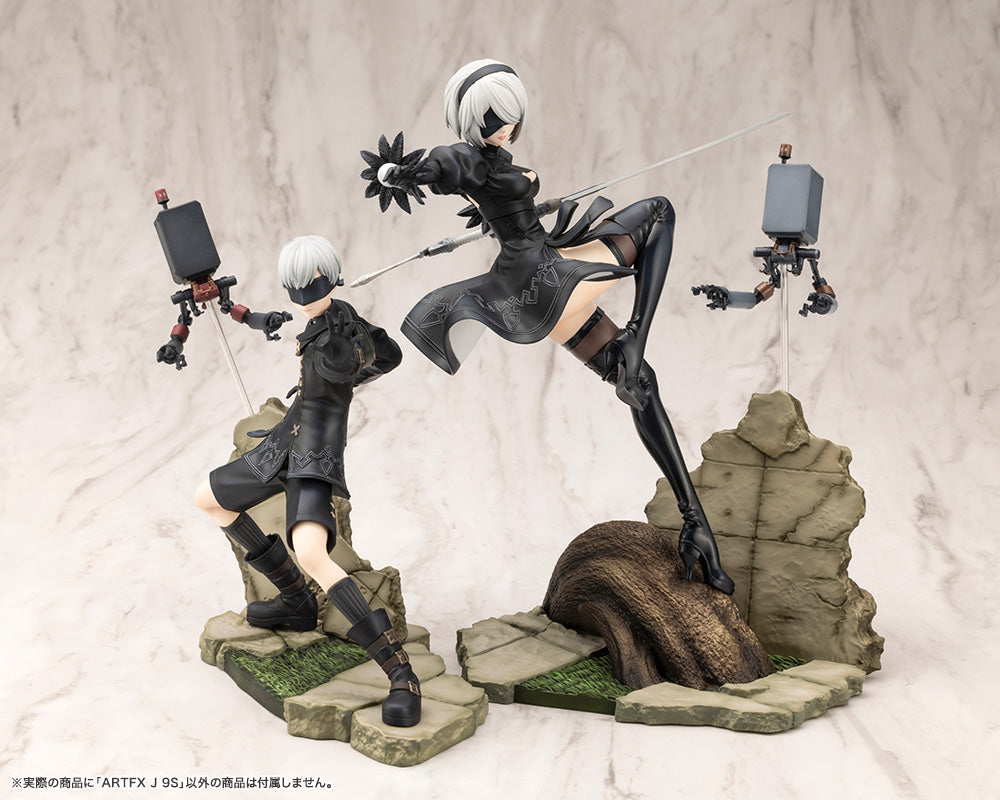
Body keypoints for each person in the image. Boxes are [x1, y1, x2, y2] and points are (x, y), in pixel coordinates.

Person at [367, 58, 733, 594]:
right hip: (545, 278)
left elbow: (481, 183)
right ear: (473, 120)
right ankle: (637, 332)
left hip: (547, 293)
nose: (508, 126)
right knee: (658, 212)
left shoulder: (490, 161)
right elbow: (443, 165)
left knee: (639, 385)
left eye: (511, 116)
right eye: (496, 118)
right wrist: (402, 173)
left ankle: (694, 525)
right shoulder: (468, 158)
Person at [193, 235, 421, 727]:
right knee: (208, 498)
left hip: (315, 457)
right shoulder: (324, 324)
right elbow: (372, 358)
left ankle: (400, 672)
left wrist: (354, 355)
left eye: (311, 285)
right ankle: (296, 601)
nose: (302, 297)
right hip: (282, 443)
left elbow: (383, 355)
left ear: (331, 278)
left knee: (313, 553)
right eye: (294, 287)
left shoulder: (341, 333)